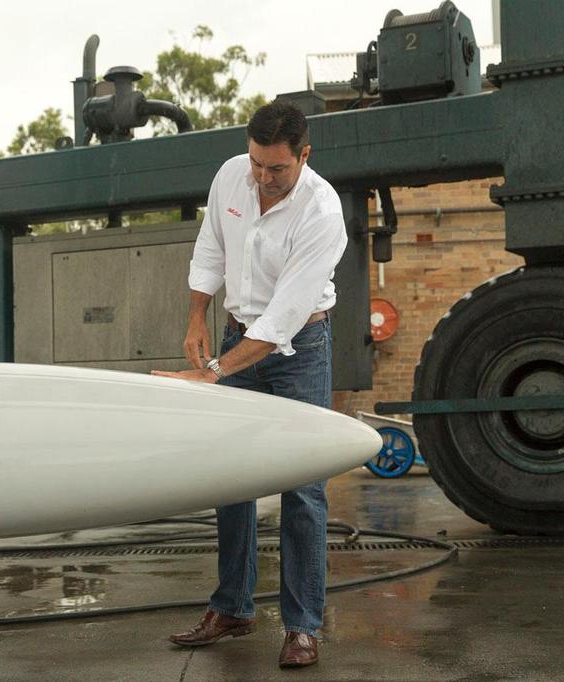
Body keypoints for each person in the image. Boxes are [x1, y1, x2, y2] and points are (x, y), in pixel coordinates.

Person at [152, 101, 348, 669]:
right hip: (238, 332)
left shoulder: (322, 211)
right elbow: (211, 247)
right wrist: (196, 316)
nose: (262, 177)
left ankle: (303, 626)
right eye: (257, 164)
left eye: (277, 169)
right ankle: (233, 607)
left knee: (302, 487)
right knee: (230, 476)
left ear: (304, 156)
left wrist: (212, 371)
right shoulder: (230, 176)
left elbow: (285, 316)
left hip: (298, 349)